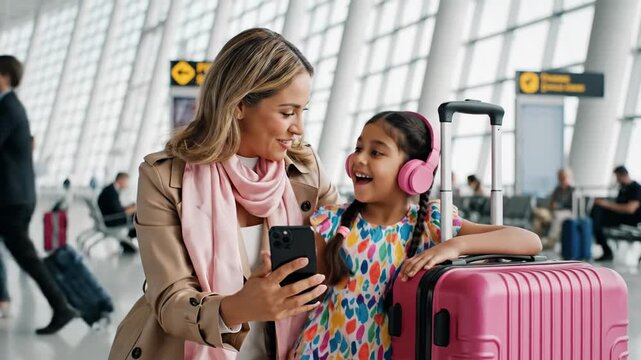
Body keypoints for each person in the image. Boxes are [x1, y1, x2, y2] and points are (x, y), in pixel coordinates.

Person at [108, 28, 340, 360]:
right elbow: (169, 299)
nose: (299, 128)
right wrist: (238, 307)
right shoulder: (164, 178)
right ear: (239, 104)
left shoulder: (306, 170)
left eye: (303, 112)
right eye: (287, 113)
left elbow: (357, 235)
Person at [291, 111, 542, 359]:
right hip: (322, 351)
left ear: (414, 172)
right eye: (358, 149)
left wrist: (454, 246)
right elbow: (314, 295)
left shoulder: (433, 224)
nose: (359, 159)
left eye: (375, 152)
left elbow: (529, 241)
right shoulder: (332, 222)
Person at [0, 55, 77, 333]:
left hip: (12, 199)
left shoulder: (9, 108)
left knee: (26, 256)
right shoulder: (10, 107)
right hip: (14, 196)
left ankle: (62, 305)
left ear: (4, 76)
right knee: (24, 254)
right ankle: (61, 305)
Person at [591, 165, 641, 261]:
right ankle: (604, 248)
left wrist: (606, 204)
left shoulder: (636, 188)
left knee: (598, 215)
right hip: (621, 217)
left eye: (617, 177)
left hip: (632, 218)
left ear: (621, 175)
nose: (616, 180)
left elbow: (630, 209)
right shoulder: (622, 189)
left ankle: (606, 250)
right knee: (597, 212)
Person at [532, 168, 575, 248]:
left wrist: (559, 206)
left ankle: (551, 241)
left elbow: (572, 206)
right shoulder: (557, 189)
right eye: (560, 178)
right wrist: (552, 206)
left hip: (567, 212)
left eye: (563, 177)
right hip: (554, 212)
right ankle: (535, 241)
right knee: (537, 220)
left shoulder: (573, 190)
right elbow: (551, 203)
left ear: (569, 177)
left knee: (557, 216)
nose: (561, 180)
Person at [97, 172, 138, 253]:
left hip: (108, 217)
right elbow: (118, 212)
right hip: (111, 220)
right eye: (127, 182)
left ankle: (127, 241)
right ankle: (128, 241)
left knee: (136, 216)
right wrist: (134, 208)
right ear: (121, 180)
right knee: (137, 218)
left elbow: (115, 208)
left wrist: (129, 207)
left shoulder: (110, 189)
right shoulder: (111, 192)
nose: (127, 185)